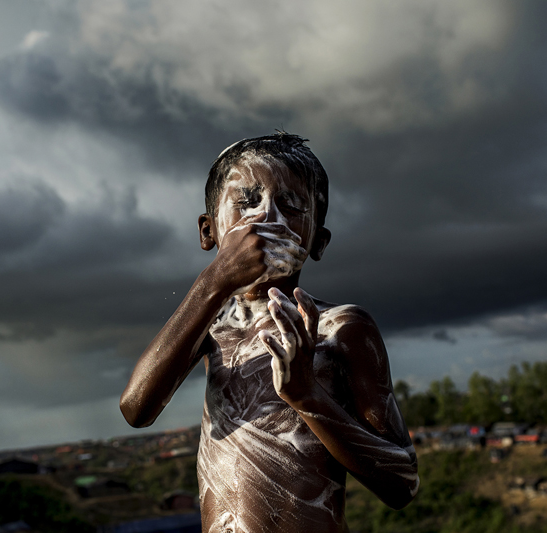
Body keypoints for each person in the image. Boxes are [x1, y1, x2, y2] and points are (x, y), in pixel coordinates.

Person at [121, 132, 419, 532]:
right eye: (246, 202)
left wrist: (306, 395)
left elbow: (402, 485)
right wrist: (216, 280)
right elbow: (136, 409)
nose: (265, 217)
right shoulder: (211, 324)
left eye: (291, 205)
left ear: (319, 241)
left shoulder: (341, 329)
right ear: (209, 232)